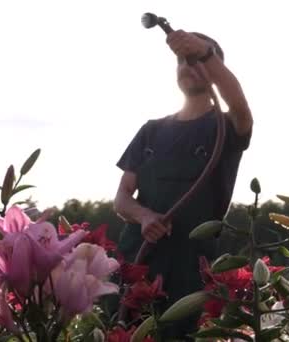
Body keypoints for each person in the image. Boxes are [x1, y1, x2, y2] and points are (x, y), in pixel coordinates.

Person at [113, 30, 253, 339]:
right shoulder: (151, 131)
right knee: (120, 330)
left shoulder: (226, 127)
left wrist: (205, 54)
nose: (188, 67)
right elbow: (122, 198)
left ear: (215, 71)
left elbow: (240, 105)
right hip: (137, 258)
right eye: (182, 61)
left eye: (197, 61)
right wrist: (144, 216)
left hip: (189, 270)